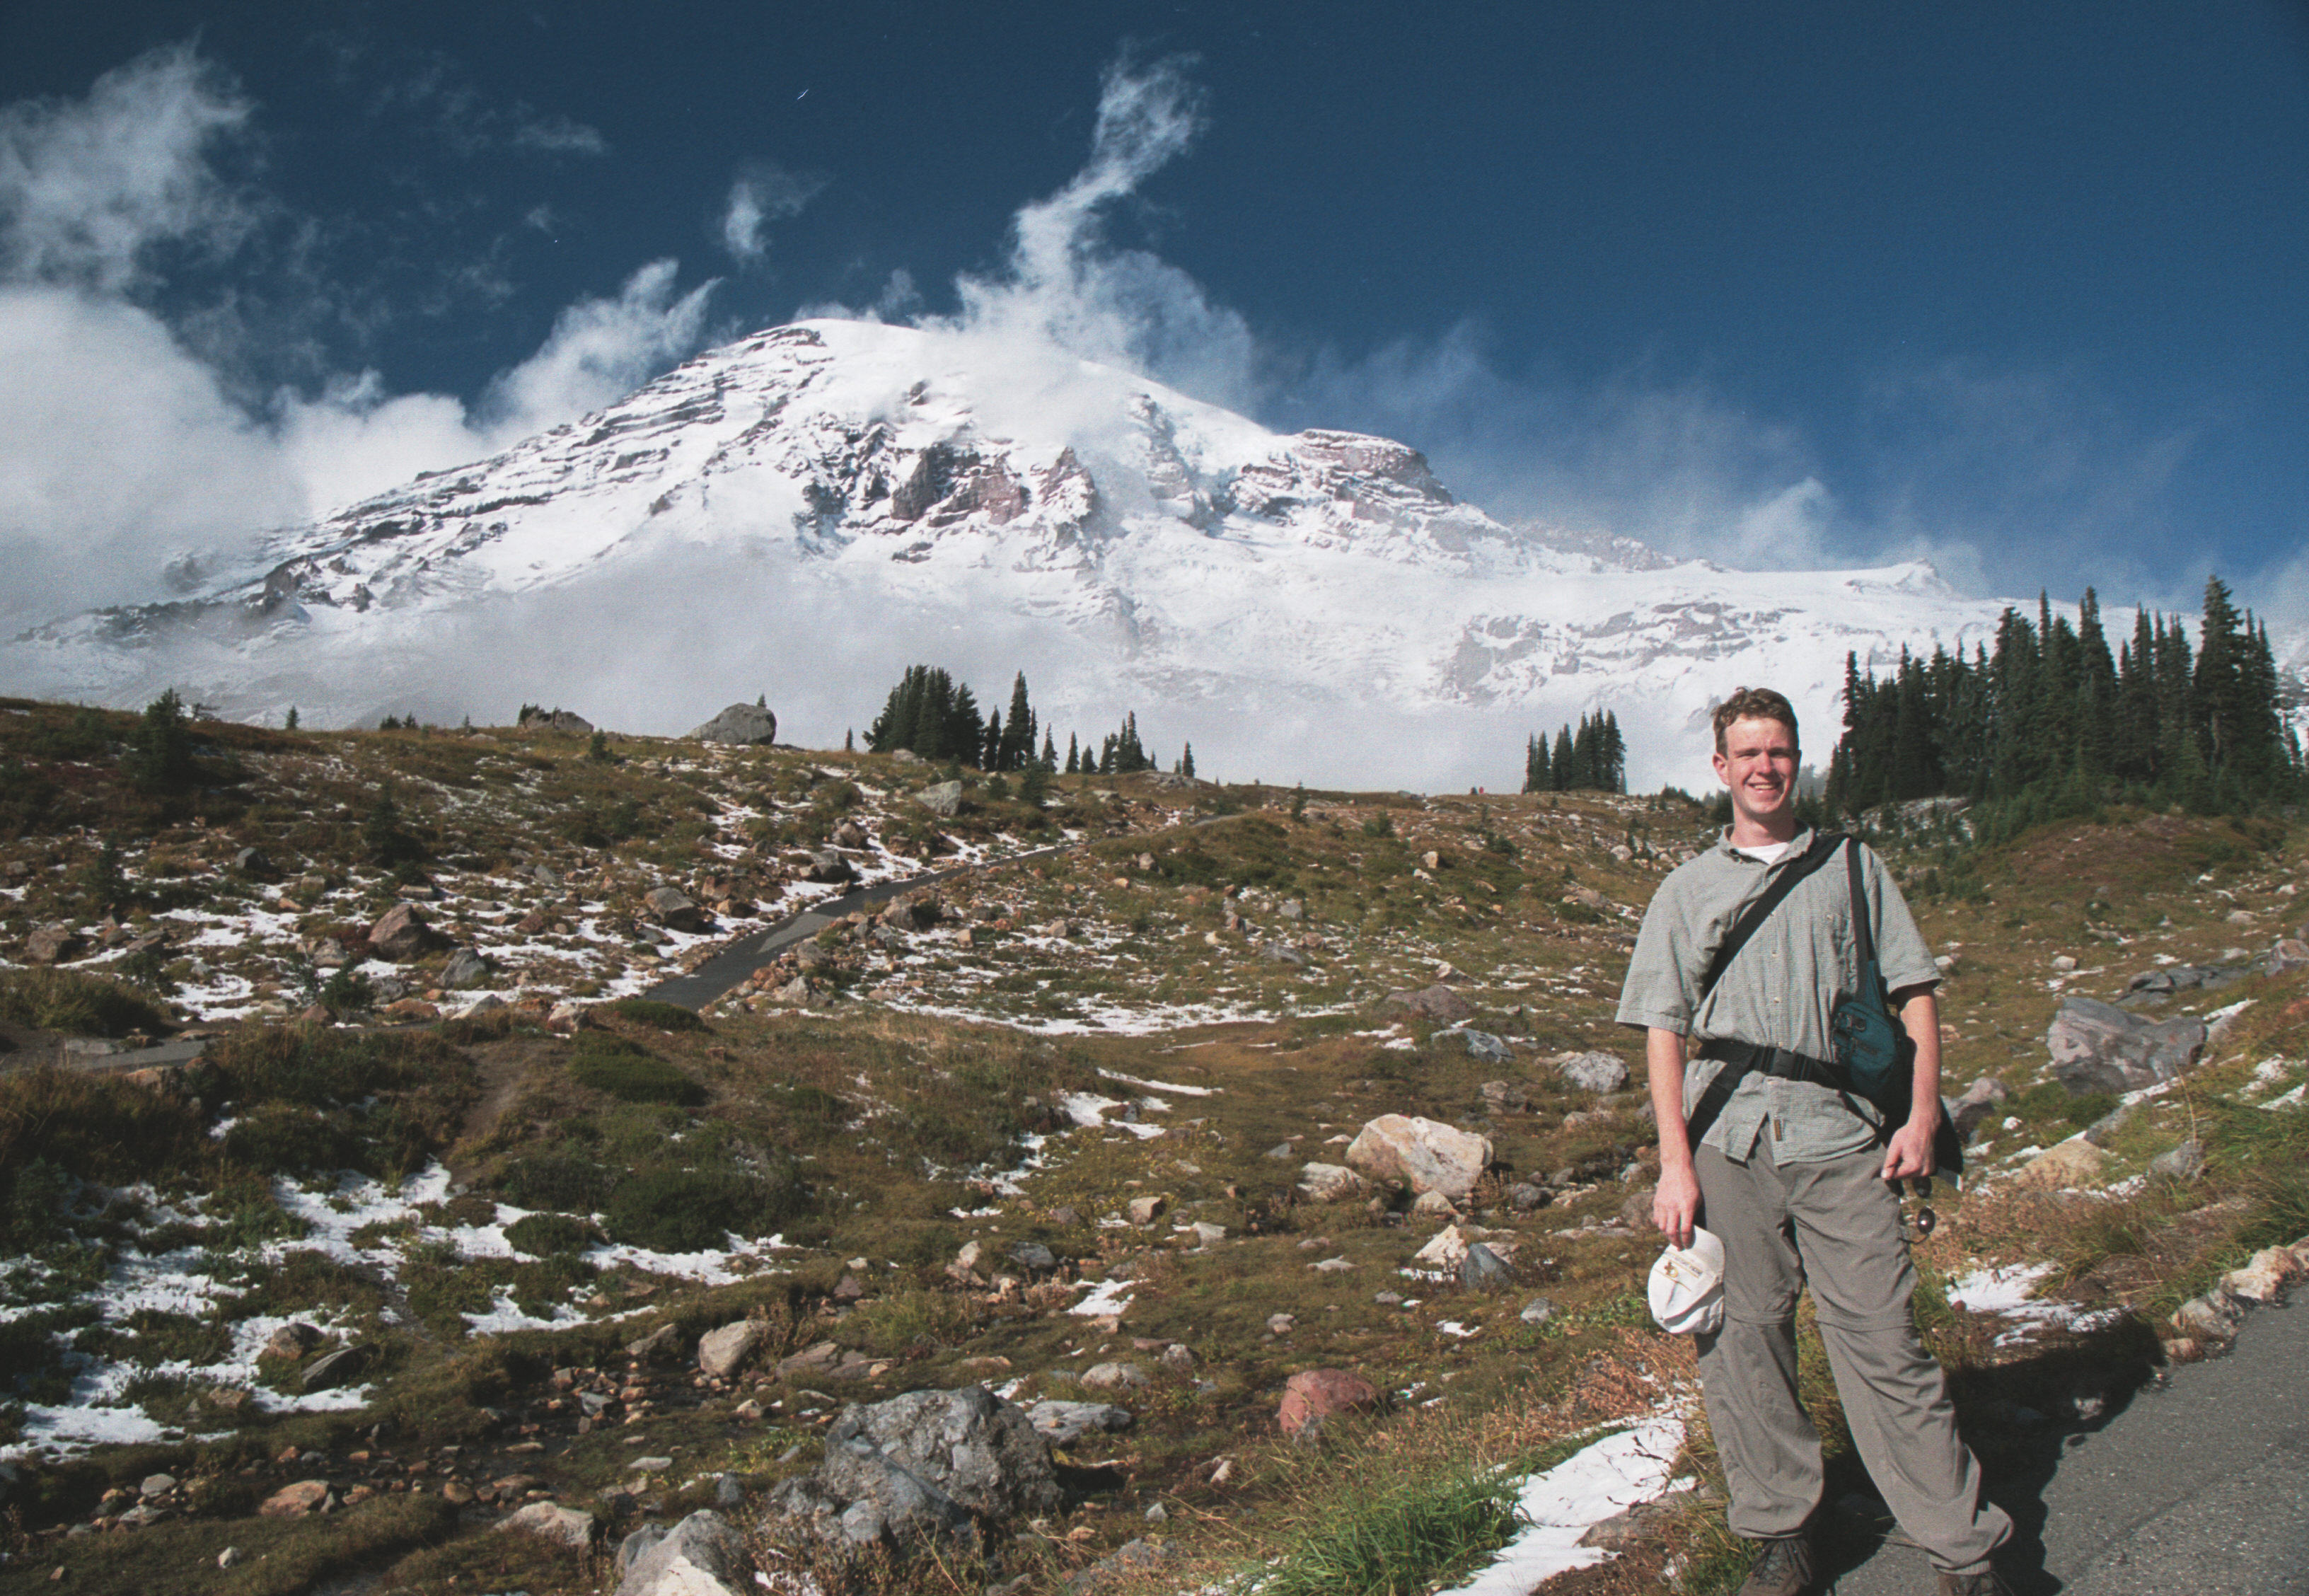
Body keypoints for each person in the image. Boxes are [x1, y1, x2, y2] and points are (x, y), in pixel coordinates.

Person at [1616, 687, 2013, 1596]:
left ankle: (1964, 1547)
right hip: (1729, 1144)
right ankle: (1781, 1534)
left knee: (1885, 1343)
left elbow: (1915, 991)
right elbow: (1663, 1033)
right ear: (1721, 768)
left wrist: (1919, 1116)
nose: (1765, 768)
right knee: (1743, 1344)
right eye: (1747, 753)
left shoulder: (1852, 869)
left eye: (1780, 752)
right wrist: (1674, 1165)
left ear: (1798, 762)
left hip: (1845, 1139)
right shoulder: (1686, 890)